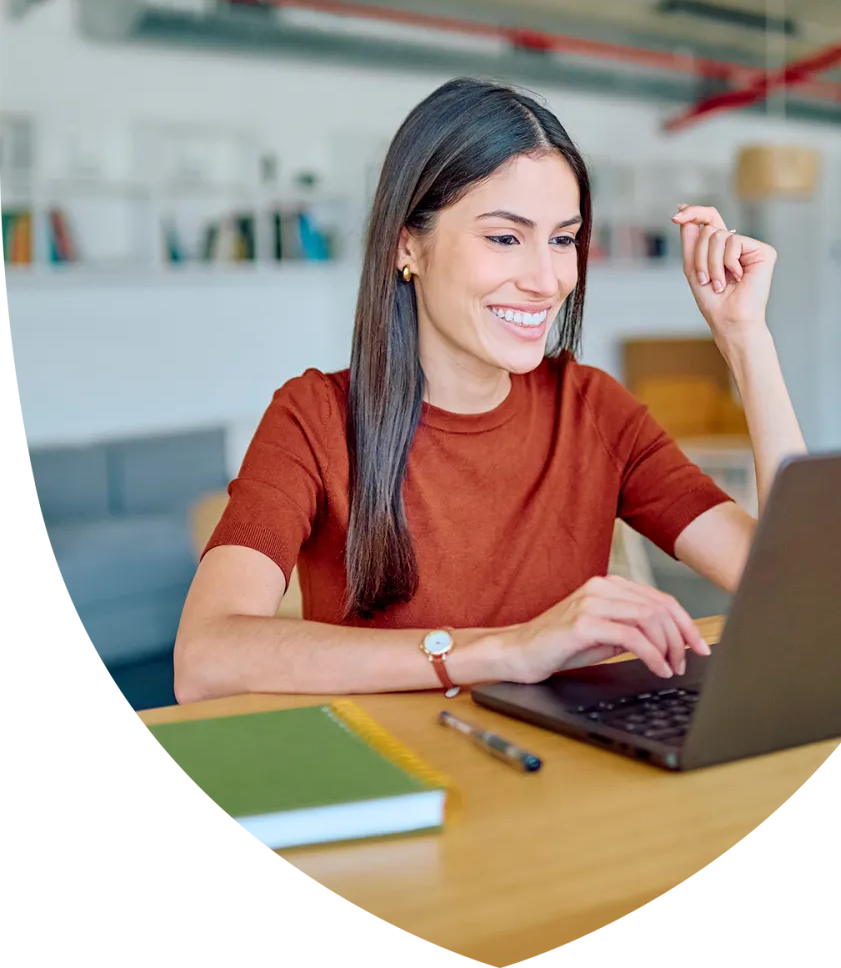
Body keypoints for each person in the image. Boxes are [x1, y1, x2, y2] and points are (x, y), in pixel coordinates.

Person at [173, 78, 806, 704]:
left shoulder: (594, 410)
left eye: (562, 239)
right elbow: (205, 658)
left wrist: (745, 338)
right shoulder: (314, 418)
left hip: (561, 775)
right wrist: (505, 649)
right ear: (407, 245)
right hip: (401, 781)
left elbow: (792, 587)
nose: (546, 279)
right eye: (505, 237)